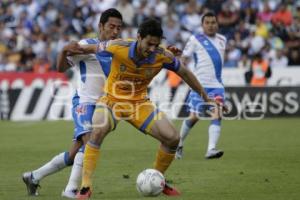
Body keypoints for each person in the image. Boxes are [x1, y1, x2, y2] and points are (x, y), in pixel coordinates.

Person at [74, 18, 220, 200]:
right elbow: (87, 48)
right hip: (112, 101)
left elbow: (185, 73)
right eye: (149, 44)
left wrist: (205, 97)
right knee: (97, 131)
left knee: (173, 138)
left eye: (156, 44)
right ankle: (85, 187)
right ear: (138, 37)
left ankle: (158, 178)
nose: (152, 49)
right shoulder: (118, 46)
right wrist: (68, 49)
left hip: (139, 104)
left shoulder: (162, 55)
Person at [22, 8, 123, 198]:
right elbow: (60, 68)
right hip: (84, 103)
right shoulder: (86, 45)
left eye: (119, 28)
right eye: (112, 27)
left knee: (73, 154)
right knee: (90, 143)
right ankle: (70, 190)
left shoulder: (118, 49)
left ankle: (33, 177)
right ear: (101, 26)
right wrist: (63, 50)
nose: (116, 31)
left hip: (104, 106)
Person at [175, 12, 227, 160]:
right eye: (208, 23)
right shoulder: (195, 39)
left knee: (217, 114)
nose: (211, 25)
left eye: (213, 22)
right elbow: (183, 59)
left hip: (217, 85)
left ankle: (211, 149)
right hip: (199, 85)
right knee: (194, 117)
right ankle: (178, 144)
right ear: (202, 25)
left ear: (217, 24)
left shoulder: (223, 39)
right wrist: (184, 69)